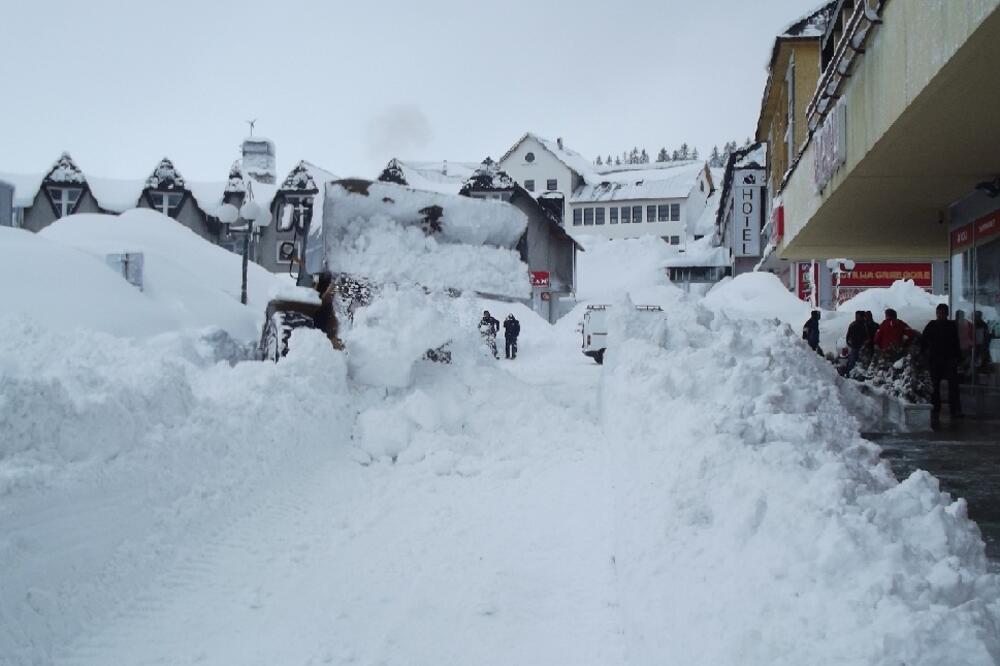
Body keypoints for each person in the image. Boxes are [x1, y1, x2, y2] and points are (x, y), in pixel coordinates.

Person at [921, 303, 963, 418]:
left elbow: (956, 343)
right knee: (935, 385)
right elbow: (923, 341)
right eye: (939, 313)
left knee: (953, 386)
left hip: (948, 359)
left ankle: (954, 409)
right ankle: (936, 407)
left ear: (946, 314)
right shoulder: (933, 325)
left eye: (942, 313)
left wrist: (958, 358)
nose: (940, 315)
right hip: (936, 360)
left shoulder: (950, 326)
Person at [312, 271, 344, 349]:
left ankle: (337, 282)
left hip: (319, 317)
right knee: (327, 298)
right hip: (323, 318)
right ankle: (338, 281)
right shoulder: (330, 335)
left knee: (326, 298)